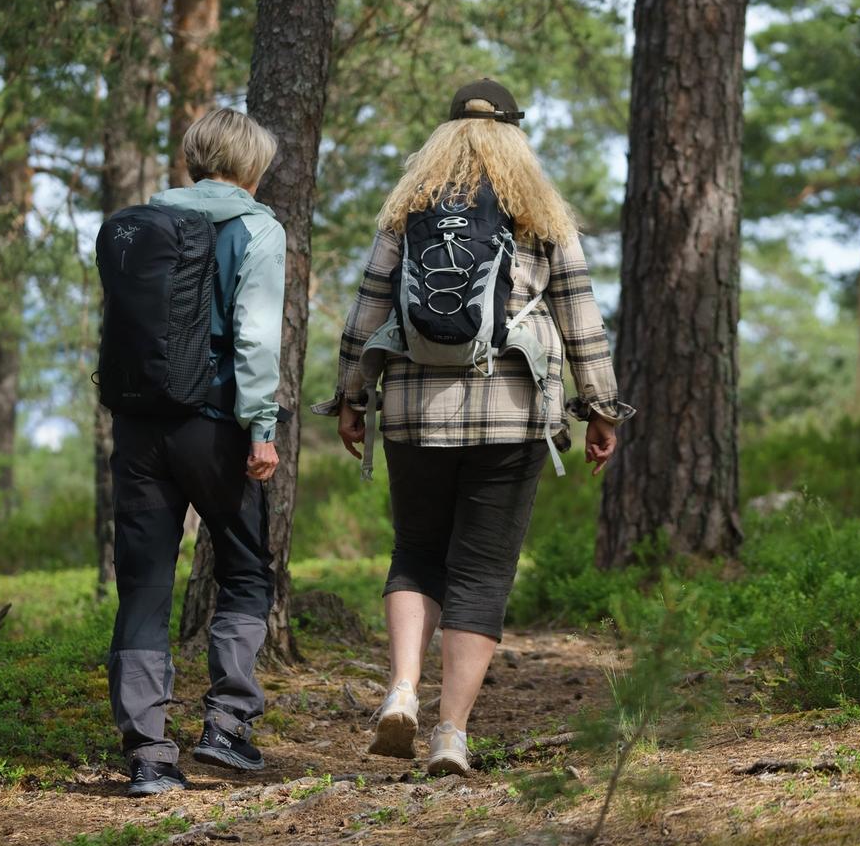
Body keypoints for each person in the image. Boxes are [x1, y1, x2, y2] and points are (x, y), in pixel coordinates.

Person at [313, 79, 635, 777]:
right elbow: (581, 317)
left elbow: (368, 308)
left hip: (413, 413)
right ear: (515, 136)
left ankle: (402, 687)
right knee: (483, 571)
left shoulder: (409, 210)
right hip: (512, 414)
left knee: (416, 551)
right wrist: (601, 406)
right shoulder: (539, 213)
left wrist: (350, 396)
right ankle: (450, 733)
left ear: (445, 136)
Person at [104, 107, 286, 796]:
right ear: (251, 166)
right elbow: (256, 337)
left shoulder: (143, 224)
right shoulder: (257, 229)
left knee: (144, 583)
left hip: (139, 423)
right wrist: (261, 427)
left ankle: (148, 755)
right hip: (215, 425)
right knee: (244, 568)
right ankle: (227, 724)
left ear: (193, 159)